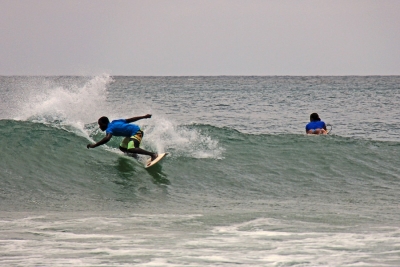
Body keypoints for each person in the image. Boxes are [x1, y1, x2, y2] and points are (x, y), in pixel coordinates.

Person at [87, 114, 158, 161]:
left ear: (105, 123)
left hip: (136, 132)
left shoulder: (109, 129)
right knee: (122, 147)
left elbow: (107, 138)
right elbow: (130, 120)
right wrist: (143, 117)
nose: (100, 126)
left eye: (100, 124)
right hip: (131, 134)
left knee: (131, 148)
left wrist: (94, 145)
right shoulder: (115, 121)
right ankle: (135, 156)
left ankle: (153, 154)